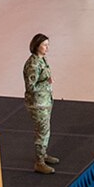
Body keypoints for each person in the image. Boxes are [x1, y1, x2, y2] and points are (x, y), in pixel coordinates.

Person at [25, 33, 57, 175]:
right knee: (42, 133)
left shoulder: (42, 60)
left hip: (45, 101)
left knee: (45, 131)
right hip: (37, 104)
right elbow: (30, 87)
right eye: (44, 45)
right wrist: (45, 84)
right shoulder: (33, 64)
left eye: (47, 45)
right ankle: (39, 162)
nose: (47, 48)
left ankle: (43, 155)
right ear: (36, 46)